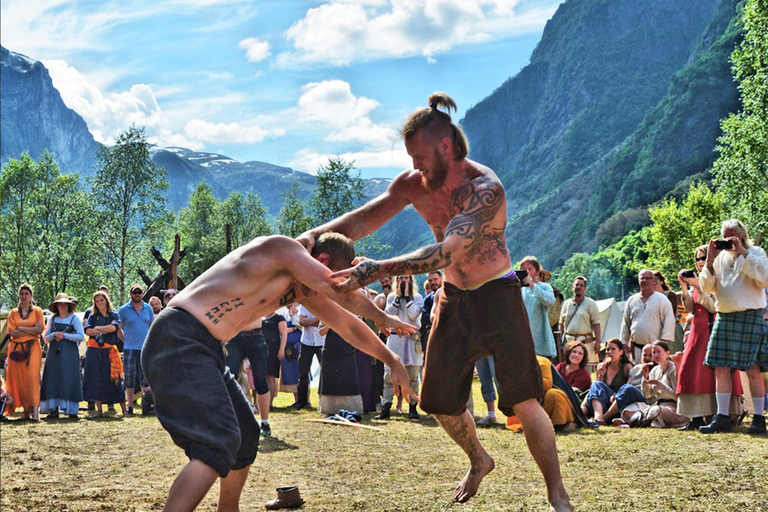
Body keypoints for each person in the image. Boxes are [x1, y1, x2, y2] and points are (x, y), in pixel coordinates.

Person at [299, 93, 571, 510]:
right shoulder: (413, 184)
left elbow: (447, 252)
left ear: (446, 147)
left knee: (524, 398)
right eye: (410, 157)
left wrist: (377, 269)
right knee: (437, 401)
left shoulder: (485, 190)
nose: (415, 166)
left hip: (498, 295)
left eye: (420, 156)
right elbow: (360, 221)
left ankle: (556, 492)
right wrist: (308, 239)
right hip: (454, 297)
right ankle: (480, 459)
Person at [141, 232, 418, 512]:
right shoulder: (279, 251)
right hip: (178, 337)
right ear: (322, 261)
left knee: (246, 433)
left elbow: (347, 325)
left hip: (205, 347)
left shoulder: (302, 288)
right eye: (334, 275)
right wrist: (381, 315)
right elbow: (336, 284)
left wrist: (393, 359)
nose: (333, 289)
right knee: (217, 441)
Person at [698, 219, 768, 434]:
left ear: (742, 235)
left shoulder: (756, 252)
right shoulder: (719, 258)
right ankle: (722, 417)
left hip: (750, 315)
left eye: (732, 237)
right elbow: (708, 287)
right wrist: (710, 261)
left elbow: (764, 280)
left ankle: (758, 418)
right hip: (725, 316)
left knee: (752, 369)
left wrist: (743, 253)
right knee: (720, 367)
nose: (727, 241)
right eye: (724, 237)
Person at [676, 245, 743, 430]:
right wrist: (685, 288)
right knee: (691, 371)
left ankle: (720, 414)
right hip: (698, 332)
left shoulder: (719, 279)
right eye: (697, 259)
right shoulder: (698, 281)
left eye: (703, 257)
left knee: (714, 374)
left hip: (714, 330)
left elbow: (715, 306)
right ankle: (695, 417)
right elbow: (689, 308)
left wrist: (698, 286)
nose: (700, 262)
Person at [378, 275, 423, 419]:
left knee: (412, 376)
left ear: (411, 280)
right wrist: (398, 297)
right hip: (395, 339)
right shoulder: (391, 297)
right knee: (389, 374)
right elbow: (388, 314)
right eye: (401, 278)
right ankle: (386, 407)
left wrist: (406, 297)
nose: (404, 281)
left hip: (411, 340)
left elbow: (413, 315)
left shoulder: (417, 297)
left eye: (406, 278)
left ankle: (412, 407)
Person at [83, 290, 128, 418]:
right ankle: (99, 411)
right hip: (94, 351)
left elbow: (114, 328)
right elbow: (88, 331)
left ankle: (124, 410)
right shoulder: (93, 316)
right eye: (97, 301)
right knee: (96, 379)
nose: (100, 303)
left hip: (109, 351)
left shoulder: (113, 314)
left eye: (102, 300)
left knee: (115, 379)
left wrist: (97, 329)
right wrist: (102, 329)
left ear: (106, 301)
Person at [40, 293, 84, 419]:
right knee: (53, 379)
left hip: (69, 354)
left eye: (65, 304)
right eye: (61, 304)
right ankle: (53, 409)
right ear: (57, 306)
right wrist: (54, 334)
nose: (63, 306)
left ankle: (71, 410)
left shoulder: (74, 318)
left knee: (69, 378)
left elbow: (81, 336)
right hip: (54, 354)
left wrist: (65, 336)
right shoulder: (52, 319)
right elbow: (45, 338)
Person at [5, 283, 45, 421]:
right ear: (19, 295)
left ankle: (35, 410)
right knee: (19, 378)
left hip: (32, 347)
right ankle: (25, 411)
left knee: (32, 377)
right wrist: (30, 329)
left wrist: (21, 329)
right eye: (21, 294)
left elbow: (39, 330)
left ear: (31, 295)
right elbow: (12, 332)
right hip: (16, 348)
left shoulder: (37, 311)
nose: (24, 296)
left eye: (26, 294)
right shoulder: (13, 313)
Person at [226, 318, 272, 436]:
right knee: (230, 379)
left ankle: (265, 423)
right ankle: (231, 422)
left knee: (260, 381)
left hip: (255, 336)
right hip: (234, 337)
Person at [620, 269, 676, 362]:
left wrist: (663, 343)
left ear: (653, 281)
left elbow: (669, 321)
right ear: (638, 280)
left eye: (648, 278)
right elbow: (626, 323)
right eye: (642, 278)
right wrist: (623, 342)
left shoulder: (662, 299)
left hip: (656, 349)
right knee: (639, 373)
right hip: (637, 348)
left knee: (656, 373)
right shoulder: (631, 300)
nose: (645, 281)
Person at [582, 339, 641, 424]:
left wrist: (617, 395)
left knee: (626, 389)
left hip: (620, 404)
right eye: (607, 349)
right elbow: (598, 392)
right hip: (606, 403)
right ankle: (598, 418)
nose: (609, 352)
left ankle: (601, 417)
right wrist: (601, 375)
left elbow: (628, 389)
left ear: (621, 352)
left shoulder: (626, 367)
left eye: (613, 349)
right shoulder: (604, 366)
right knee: (596, 384)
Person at [119, 284, 155, 415]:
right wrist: (125, 339)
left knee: (145, 377)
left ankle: (146, 403)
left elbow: (152, 327)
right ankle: (130, 405)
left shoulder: (148, 309)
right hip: (129, 348)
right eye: (135, 292)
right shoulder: (123, 310)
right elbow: (118, 327)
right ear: (130, 294)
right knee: (129, 378)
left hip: (145, 348)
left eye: (139, 292)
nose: (137, 294)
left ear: (143, 293)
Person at [519, 256, 557, 359]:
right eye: (523, 270)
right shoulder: (519, 291)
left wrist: (532, 286)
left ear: (537, 271)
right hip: (522, 343)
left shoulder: (545, 287)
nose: (526, 272)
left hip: (541, 342)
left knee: (544, 374)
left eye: (529, 269)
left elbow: (550, 301)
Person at [559, 276, 602, 367]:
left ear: (585, 288)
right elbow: (561, 323)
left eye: (581, 285)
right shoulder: (566, 304)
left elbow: (596, 323)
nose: (578, 287)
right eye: (576, 285)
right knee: (569, 370)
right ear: (572, 287)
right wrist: (561, 340)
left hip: (585, 343)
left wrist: (598, 341)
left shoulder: (591, 303)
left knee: (585, 369)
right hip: (569, 343)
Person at [294, 304, 325, 410]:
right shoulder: (304, 305)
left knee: (325, 372)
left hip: (321, 342)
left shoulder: (324, 303)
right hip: (306, 342)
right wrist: (318, 319)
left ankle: (323, 400)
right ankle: (302, 401)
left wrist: (309, 321)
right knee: (303, 372)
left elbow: (325, 323)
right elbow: (301, 322)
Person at [262, 310, 287, 411]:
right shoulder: (261, 317)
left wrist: (282, 349)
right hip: (261, 348)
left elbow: (284, 333)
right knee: (261, 375)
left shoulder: (279, 318)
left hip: (273, 349)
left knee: (271, 375)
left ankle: (270, 402)